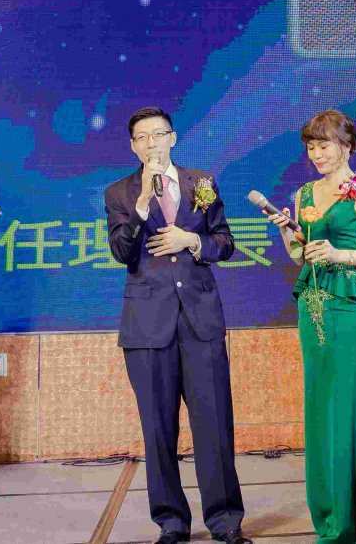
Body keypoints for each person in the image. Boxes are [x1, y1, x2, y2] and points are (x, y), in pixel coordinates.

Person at [104, 107, 250, 544]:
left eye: (158, 134)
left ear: (173, 138)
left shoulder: (201, 183)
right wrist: (141, 205)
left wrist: (192, 241)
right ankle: (171, 522)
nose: (151, 143)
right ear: (133, 146)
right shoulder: (119, 192)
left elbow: (225, 242)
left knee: (214, 423)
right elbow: (121, 252)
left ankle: (225, 520)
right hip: (148, 326)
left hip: (200, 321)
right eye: (142, 137)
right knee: (158, 428)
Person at [266, 110, 356, 544]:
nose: (317, 154)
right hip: (312, 308)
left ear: (347, 146)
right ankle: (332, 519)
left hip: (349, 310)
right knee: (321, 410)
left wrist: (340, 255)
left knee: (349, 409)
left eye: (324, 145)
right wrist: (289, 234)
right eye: (311, 147)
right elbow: (301, 256)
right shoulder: (304, 193)